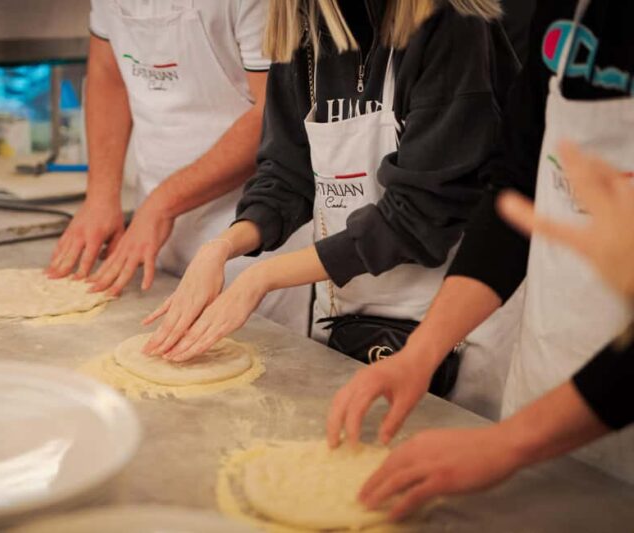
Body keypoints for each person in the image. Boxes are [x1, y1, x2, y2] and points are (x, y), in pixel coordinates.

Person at [143, 0, 521, 417]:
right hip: (349, 313)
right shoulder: (305, 28)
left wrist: (261, 277)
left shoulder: (452, 27)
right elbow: (287, 174)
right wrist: (223, 246)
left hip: (451, 326)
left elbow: (418, 218)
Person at [328, 0, 634, 485]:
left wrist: (510, 443)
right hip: (549, 363)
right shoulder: (568, 10)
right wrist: (421, 353)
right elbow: (517, 190)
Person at [353, 142, 634, 521]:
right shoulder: (547, 81)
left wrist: (512, 441)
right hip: (545, 370)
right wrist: (420, 352)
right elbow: (511, 201)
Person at [46, 0, 311, 335]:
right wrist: (100, 194)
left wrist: (164, 202)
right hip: (156, 234)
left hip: (253, 232)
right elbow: (107, 73)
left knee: (254, 360)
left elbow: (273, 114)